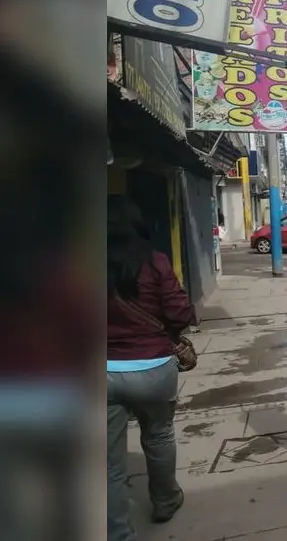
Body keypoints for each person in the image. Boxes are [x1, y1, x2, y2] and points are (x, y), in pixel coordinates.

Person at [107, 195, 194, 541]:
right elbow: (179, 314)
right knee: (158, 435)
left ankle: (117, 533)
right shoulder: (154, 262)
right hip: (153, 367)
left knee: (107, 464)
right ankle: (165, 500)